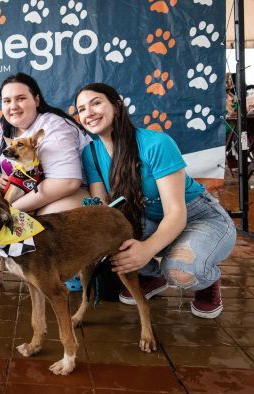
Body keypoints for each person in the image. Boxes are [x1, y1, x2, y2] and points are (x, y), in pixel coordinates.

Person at [75, 83, 236, 319]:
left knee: (182, 273)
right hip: (147, 218)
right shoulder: (91, 153)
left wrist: (146, 249)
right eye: (81, 109)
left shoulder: (156, 143)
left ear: (117, 106)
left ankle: (206, 280)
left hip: (197, 216)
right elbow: (104, 208)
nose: (88, 112)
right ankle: (154, 275)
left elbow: (176, 213)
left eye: (96, 102)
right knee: (108, 238)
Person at [0, 72, 92, 284]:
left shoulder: (53, 126)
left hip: (68, 194)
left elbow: (67, 182)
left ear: (36, 100)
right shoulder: (6, 129)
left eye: (21, 98)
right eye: (7, 101)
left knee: (48, 217)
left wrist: (11, 210)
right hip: (23, 190)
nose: (13, 106)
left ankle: (65, 269)